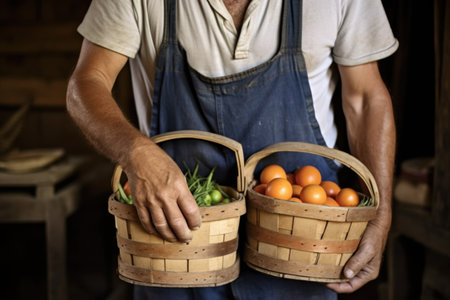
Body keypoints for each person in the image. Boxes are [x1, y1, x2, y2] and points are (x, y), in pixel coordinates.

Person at [66, 0, 398, 299]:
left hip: (300, 254)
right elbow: (85, 84)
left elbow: (366, 100)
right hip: (175, 249)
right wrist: (135, 153)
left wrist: (380, 217)